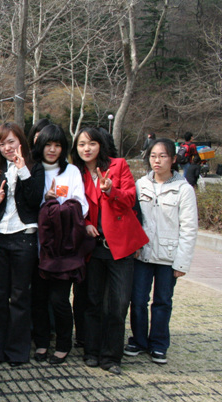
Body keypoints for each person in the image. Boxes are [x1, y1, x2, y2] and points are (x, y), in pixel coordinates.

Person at [71, 127, 149, 375]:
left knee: (117, 305)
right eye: (82, 144)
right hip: (93, 248)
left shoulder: (118, 165)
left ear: (101, 145)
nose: (86, 148)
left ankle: (111, 356)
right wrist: (85, 223)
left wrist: (110, 190)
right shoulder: (76, 172)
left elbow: (129, 199)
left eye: (91, 143)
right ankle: (91, 352)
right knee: (93, 302)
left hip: (120, 247)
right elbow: (73, 205)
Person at [125, 138, 197, 364]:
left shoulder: (183, 189)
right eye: (153, 156)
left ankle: (158, 344)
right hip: (143, 253)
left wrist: (182, 263)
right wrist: (134, 246)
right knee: (137, 300)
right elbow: (133, 219)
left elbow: (189, 228)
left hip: (168, 256)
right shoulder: (140, 185)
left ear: (173, 159)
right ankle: (138, 340)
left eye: (163, 156)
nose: (157, 160)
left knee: (163, 301)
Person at [0, 123, 45, 367]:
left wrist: (23, 171)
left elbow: (33, 201)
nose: (7, 147)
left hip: (24, 237)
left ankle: (18, 351)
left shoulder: (35, 168)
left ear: (21, 142)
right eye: (2, 143)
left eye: (11, 142)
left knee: (20, 296)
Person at [30, 124, 89, 365]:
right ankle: (42, 342)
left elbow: (81, 205)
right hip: (37, 246)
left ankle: (64, 344)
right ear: (39, 146)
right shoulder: (33, 171)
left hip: (64, 249)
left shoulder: (71, 171)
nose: (52, 150)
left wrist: (57, 207)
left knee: (60, 300)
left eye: (57, 145)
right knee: (39, 299)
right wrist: (44, 201)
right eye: (48, 144)